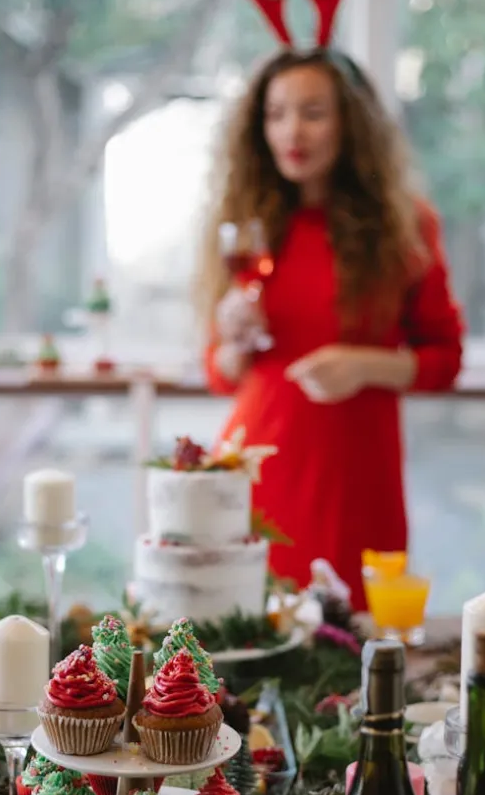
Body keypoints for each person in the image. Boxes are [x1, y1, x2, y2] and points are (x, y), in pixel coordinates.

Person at [195, 48, 464, 612]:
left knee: (352, 647)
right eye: (276, 114)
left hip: (357, 478)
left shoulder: (407, 227)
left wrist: (363, 364)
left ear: (351, 123)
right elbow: (221, 376)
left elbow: (445, 360)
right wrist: (232, 341)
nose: (292, 131)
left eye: (313, 112)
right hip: (259, 467)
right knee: (247, 646)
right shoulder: (246, 225)